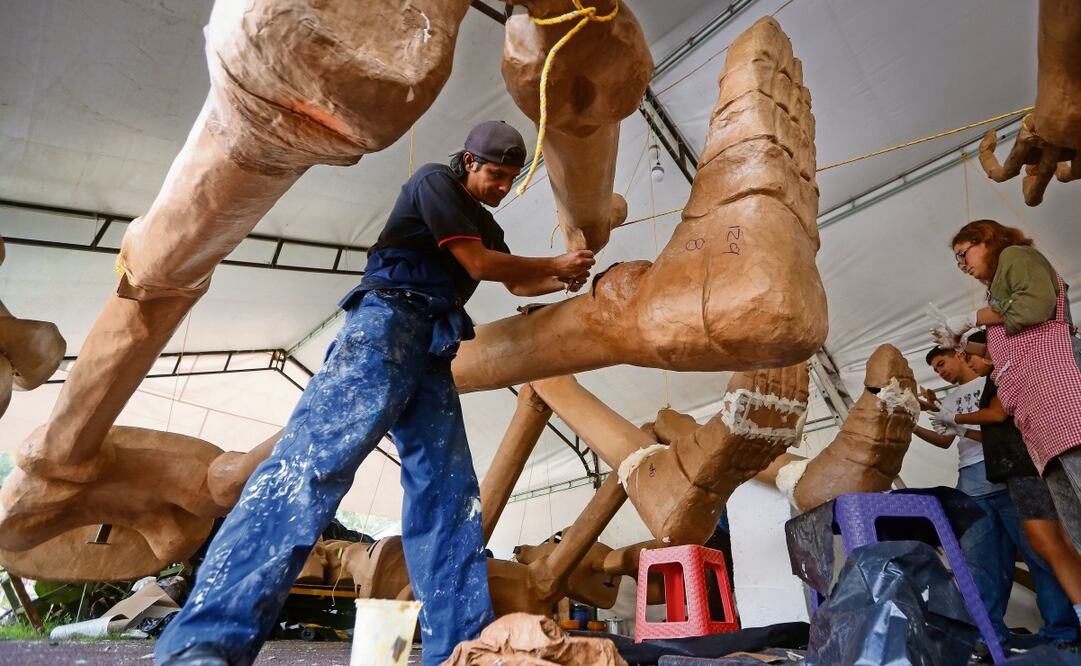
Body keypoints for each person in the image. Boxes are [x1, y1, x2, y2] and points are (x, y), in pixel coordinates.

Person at [155, 121, 596, 666]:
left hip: (434, 346)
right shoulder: (436, 181)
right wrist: (553, 263)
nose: (502, 188)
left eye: (511, 180)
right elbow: (480, 265)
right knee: (311, 468)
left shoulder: (480, 219)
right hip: (384, 323)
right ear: (469, 161)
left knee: (449, 497)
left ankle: (462, 648)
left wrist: (571, 273)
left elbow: (519, 282)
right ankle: (204, 644)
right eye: (496, 175)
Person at [939, 218, 1081, 631]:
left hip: (1064, 401)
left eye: (963, 254)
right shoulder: (998, 289)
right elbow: (1010, 340)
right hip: (1040, 423)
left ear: (986, 239)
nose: (963, 265)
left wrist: (974, 315)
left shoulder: (1017, 257)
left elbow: (1035, 307)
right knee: (1073, 521)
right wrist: (967, 340)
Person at [916, 347, 1076, 647]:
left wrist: (958, 425)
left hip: (1010, 475)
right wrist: (911, 424)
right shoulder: (949, 399)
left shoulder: (994, 382)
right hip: (972, 482)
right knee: (980, 563)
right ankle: (989, 637)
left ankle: (1062, 632)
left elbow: (999, 426)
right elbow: (944, 440)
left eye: (942, 363)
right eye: (936, 370)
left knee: (1040, 555)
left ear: (961, 354)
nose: (941, 372)